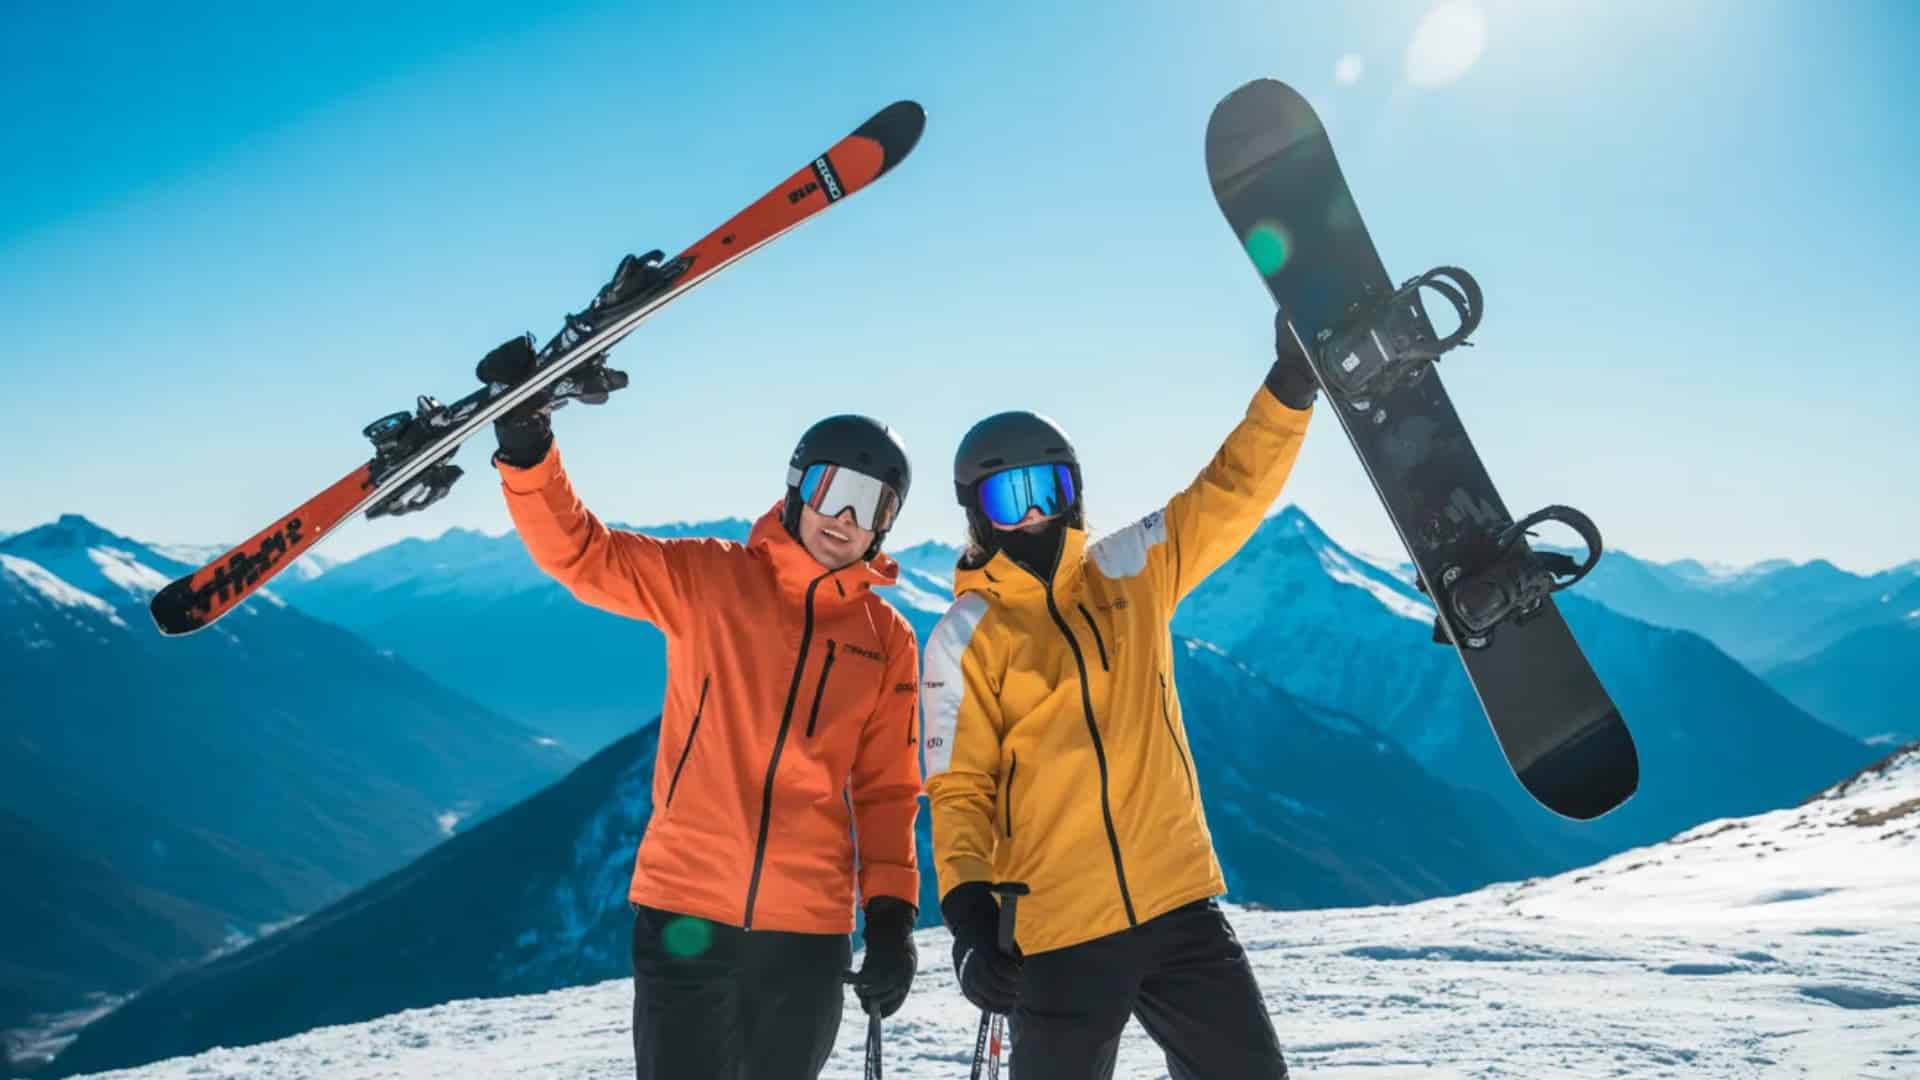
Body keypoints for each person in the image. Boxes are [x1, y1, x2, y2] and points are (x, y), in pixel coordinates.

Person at [482, 333, 924, 1080]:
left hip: (809, 935)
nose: (842, 517)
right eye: (828, 489)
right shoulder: (710, 580)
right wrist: (529, 454)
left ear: (886, 521)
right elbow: (583, 555)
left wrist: (891, 918)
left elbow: (886, 791)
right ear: (795, 487)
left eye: (869, 503)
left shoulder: (888, 639)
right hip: (689, 915)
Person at [920, 315, 1318, 1078]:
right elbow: (960, 789)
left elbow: (1229, 493)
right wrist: (968, 918)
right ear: (979, 511)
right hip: (1058, 927)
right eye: (1011, 496)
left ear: (1075, 491)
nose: (1034, 511)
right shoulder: (966, 634)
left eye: (1050, 486)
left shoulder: (1131, 570)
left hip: (1179, 904)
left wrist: (1289, 391)